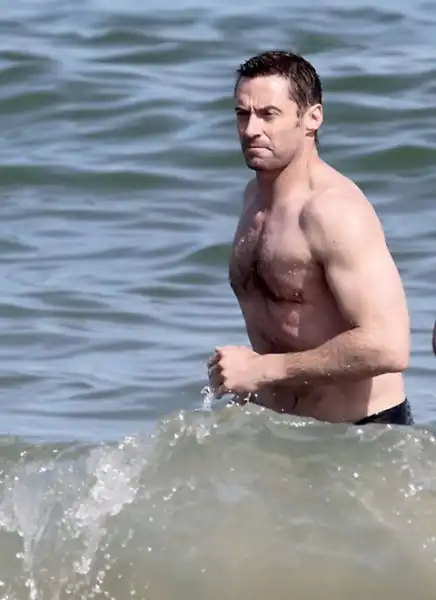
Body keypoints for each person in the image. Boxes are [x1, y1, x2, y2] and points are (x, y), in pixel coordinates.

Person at [207, 50, 413, 425]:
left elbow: (389, 345)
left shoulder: (333, 211)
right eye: (242, 114)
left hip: (360, 436)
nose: (251, 129)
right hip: (287, 432)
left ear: (312, 118)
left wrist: (263, 370)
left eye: (269, 114)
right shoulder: (253, 198)